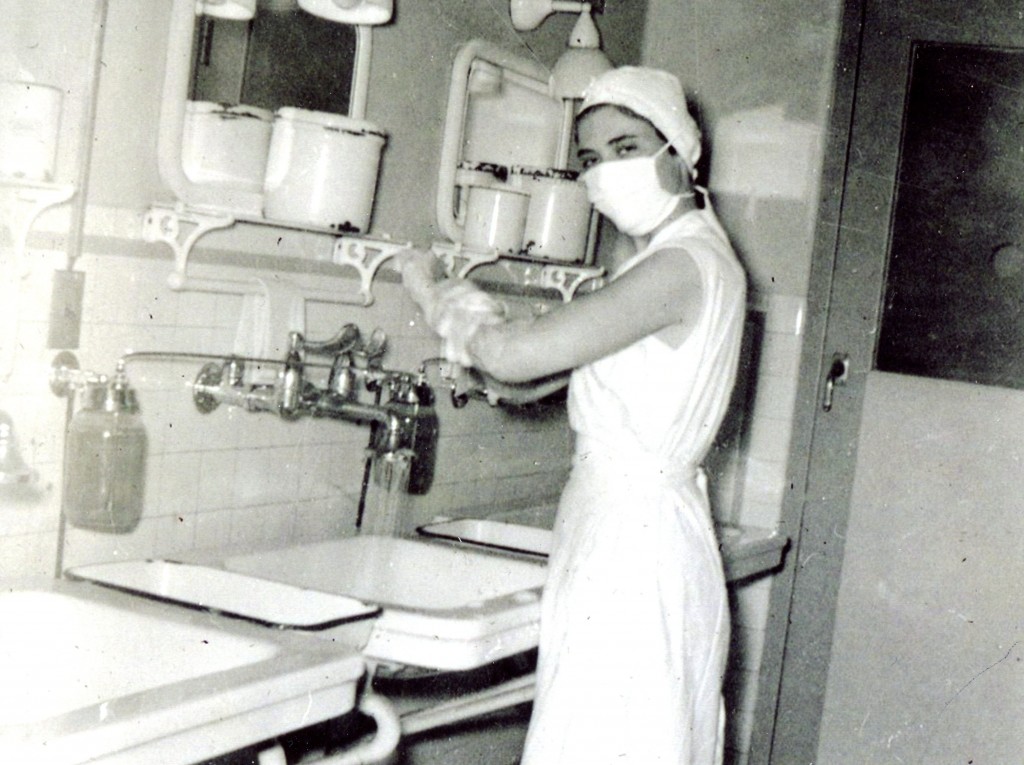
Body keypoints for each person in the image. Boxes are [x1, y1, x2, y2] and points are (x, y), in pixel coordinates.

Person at [401, 65, 746, 765]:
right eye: (589, 159)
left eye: (625, 148)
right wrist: (496, 358)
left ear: (678, 151)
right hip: (624, 533)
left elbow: (517, 356)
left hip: (635, 550)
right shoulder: (669, 262)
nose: (603, 173)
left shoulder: (682, 265)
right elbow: (549, 375)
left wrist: (432, 288)